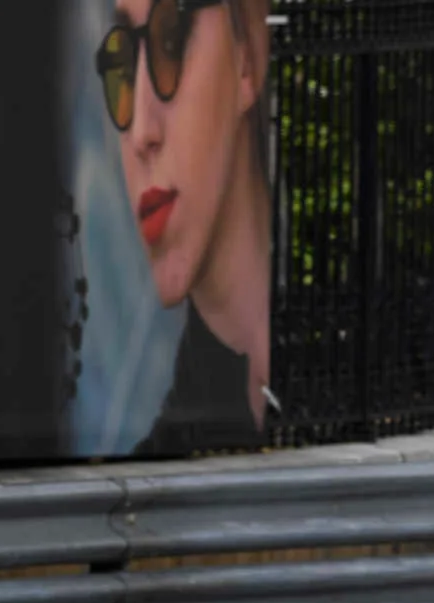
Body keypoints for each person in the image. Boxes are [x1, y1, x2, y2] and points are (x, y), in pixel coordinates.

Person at [95, 0, 273, 452]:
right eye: (120, 68)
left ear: (247, 56)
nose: (141, 133)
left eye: (170, 42)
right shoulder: (161, 455)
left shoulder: (376, 349)